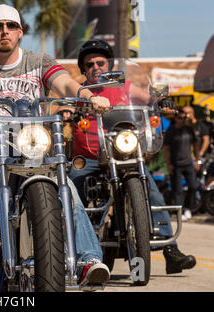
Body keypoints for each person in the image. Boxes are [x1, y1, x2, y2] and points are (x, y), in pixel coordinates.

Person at [0, 4, 113, 291]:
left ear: (20, 32)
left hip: (34, 148)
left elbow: (63, 84)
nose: (4, 31)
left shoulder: (39, 62)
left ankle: (86, 261)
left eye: (11, 26)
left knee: (68, 191)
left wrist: (87, 95)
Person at [69, 39, 196, 275]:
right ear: (83, 69)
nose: (96, 67)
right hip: (90, 157)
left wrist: (162, 101)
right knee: (71, 191)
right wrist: (68, 112)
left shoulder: (124, 87)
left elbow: (149, 98)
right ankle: (71, 250)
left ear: (109, 64)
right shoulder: (80, 93)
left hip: (123, 152)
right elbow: (62, 110)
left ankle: (170, 250)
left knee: (151, 188)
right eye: (89, 64)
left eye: (100, 62)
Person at [163, 109, 201, 222]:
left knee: (193, 186)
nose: (182, 120)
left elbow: (195, 145)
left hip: (189, 163)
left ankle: (188, 207)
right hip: (176, 165)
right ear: (176, 118)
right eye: (180, 118)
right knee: (178, 190)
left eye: (184, 118)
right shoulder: (171, 131)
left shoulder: (189, 129)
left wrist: (197, 159)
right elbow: (165, 149)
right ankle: (182, 212)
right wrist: (168, 164)